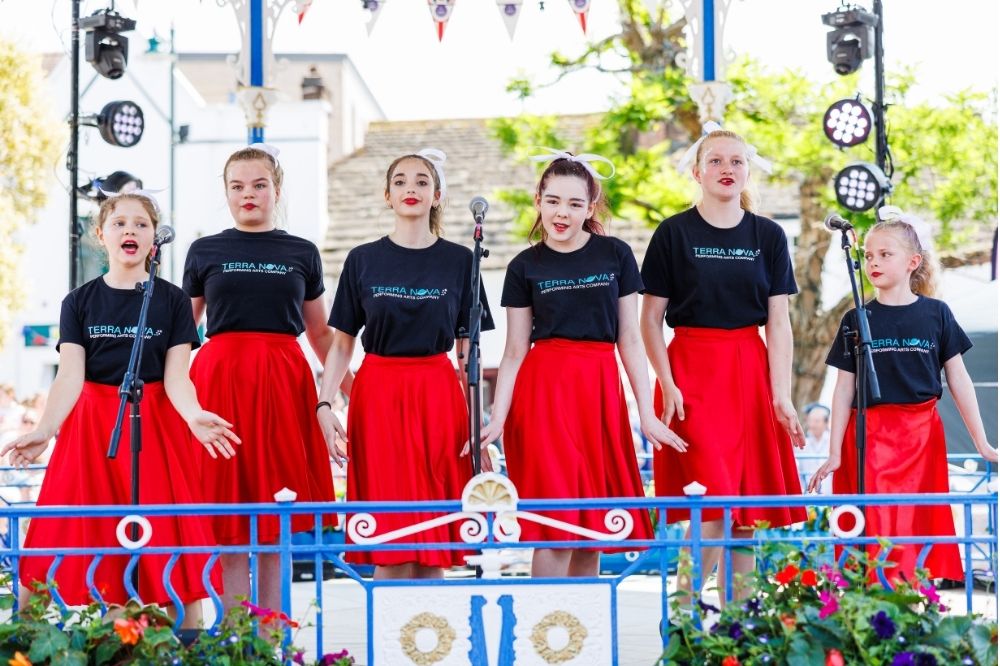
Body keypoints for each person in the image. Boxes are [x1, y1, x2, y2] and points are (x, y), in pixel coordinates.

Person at [2, 192, 238, 626]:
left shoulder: (172, 300)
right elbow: (70, 374)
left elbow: (176, 376)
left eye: (142, 224)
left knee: (168, 541)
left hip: (158, 427)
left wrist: (193, 415)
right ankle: (105, 641)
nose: (130, 230)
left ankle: (182, 648)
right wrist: (45, 429)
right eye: (120, 223)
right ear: (101, 235)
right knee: (95, 541)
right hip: (93, 429)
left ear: (154, 238)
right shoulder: (78, 301)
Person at [473, 151, 685, 578]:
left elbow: (629, 338)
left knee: (594, 525)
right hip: (543, 397)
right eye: (552, 201)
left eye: (574, 203)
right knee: (553, 523)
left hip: (598, 390)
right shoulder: (523, 266)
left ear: (590, 207)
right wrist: (497, 418)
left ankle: (579, 638)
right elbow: (515, 350)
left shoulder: (616, 255)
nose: (561, 213)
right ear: (538, 200)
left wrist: (645, 412)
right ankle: (541, 637)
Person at [639, 127, 806, 602]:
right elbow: (649, 320)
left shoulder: (769, 235)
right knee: (711, 499)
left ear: (747, 171)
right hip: (691, 372)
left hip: (749, 371)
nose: (727, 169)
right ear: (697, 171)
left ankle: (740, 627)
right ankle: (686, 611)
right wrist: (665, 383)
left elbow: (780, 323)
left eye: (736, 161)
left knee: (747, 505)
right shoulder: (673, 232)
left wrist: (781, 394)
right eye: (716, 161)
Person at [317, 149, 494, 580]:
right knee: (390, 533)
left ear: (437, 195)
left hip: (438, 395)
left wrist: (478, 428)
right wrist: (325, 406)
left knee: (432, 534)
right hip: (377, 395)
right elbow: (341, 344)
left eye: (421, 181)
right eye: (400, 181)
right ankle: (389, 644)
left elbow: (468, 353)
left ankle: (428, 644)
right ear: (386, 195)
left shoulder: (461, 260)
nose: (410, 189)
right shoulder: (362, 259)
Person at [183, 144, 339, 612]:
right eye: (237, 186)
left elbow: (320, 333)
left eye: (258, 185)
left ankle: (274, 638)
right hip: (220, 380)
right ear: (226, 193)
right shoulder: (204, 249)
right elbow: (180, 333)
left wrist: (352, 392)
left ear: (277, 190)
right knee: (228, 511)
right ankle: (232, 641)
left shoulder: (302, 251)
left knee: (277, 512)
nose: (247, 194)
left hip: (283, 381)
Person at [808, 208, 998, 582]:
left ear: (913, 262)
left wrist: (983, 442)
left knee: (915, 522)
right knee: (874, 524)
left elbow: (958, 381)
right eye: (869, 256)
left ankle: (914, 605)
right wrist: (833, 453)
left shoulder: (937, 314)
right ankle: (875, 605)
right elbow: (844, 388)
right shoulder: (856, 318)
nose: (873, 262)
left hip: (920, 436)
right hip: (870, 436)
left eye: (885, 254)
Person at [798, 403, 832, 494]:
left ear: (826, 423)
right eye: (810, 421)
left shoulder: (832, 442)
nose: (812, 425)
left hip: (830, 494)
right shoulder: (802, 444)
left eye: (816, 421)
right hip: (808, 494)